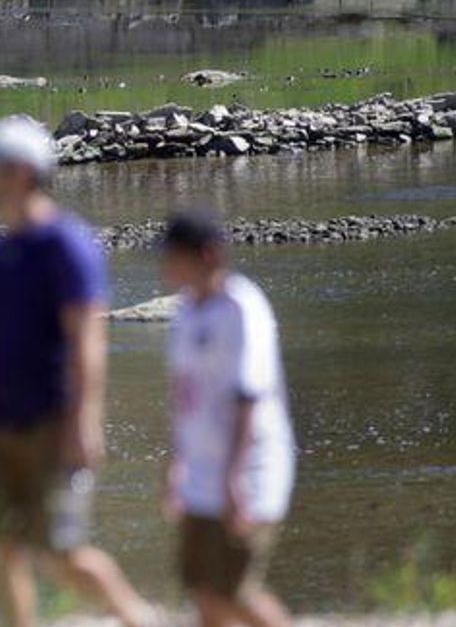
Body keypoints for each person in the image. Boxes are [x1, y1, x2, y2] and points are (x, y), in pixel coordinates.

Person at [0, 116, 152, 627]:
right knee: (2, 549)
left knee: (60, 553)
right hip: (2, 422)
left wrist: (84, 423)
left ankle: (140, 618)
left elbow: (88, 338)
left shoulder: (68, 244)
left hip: (51, 421)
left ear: (20, 173)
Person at [160, 210, 295, 627]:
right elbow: (185, 398)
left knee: (235, 592)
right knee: (203, 591)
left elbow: (247, 397)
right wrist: (176, 464)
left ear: (208, 255)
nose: (165, 264)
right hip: (200, 473)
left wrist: (235, 478)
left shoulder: (242, 307)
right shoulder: (185, 311)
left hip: (250, 472)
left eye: (173, 255)